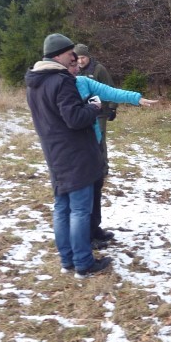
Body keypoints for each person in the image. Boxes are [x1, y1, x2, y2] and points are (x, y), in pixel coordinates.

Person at [25, 34, 111, 279]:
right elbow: (74, 118)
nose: (74, 57)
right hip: (75, 154)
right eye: (70, 53)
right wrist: (93, 107)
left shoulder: (35, 82)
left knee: (62, 208)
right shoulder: (61, 81)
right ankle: (83, 263)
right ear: (57, 55)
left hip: (54, 153)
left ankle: (68, 261)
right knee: (80, 210)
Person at [73, 43, 119, 247]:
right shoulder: (75, 72)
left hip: (100, 112)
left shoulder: (98, 69)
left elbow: (110, 87)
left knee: (100, 139)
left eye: (83, 57)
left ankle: (103, 165)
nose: (81, 61)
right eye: (78, 58)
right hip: (84, 113)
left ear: (88, 57)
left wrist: (113, 108)